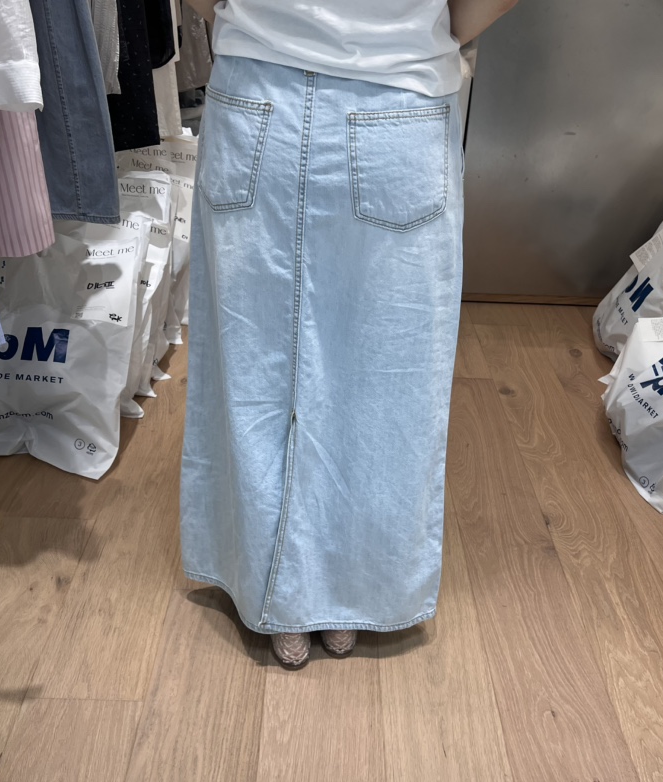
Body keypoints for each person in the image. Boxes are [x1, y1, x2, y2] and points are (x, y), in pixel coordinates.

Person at [181, 0, 518, 669]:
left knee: (253, 364)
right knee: (386, 377)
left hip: (257, 97)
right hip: (399, 99)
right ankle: (351, 592)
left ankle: (274, 592)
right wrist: (409, 29)